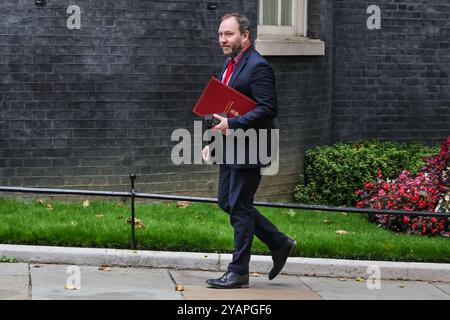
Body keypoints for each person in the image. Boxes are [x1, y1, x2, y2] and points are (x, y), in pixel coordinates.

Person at [203, 13, 297, 289]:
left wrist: (231, 123)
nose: (223, 39)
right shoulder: (230, 64)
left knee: (240, 207)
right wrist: (212, 141)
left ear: (245, 36)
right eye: (221, 34)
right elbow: (225, 105)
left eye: (229, 34)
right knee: (227, 201)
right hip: (230, 145)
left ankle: (238, 272)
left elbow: (268, 108)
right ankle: (279, 243)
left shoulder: (258, 67)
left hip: (251, 147)